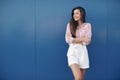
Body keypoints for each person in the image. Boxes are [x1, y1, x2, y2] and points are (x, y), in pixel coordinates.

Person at [65, 6, 92, 80]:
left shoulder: (87, 25)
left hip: (83, 52)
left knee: (81, 78)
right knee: (78, 77)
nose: (74, 15)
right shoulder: (70, 25)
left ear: (82, 14)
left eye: (77, 13)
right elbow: (67, 39)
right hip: (72, 52)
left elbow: (88, 41)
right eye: (73, 14)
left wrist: (74, 39)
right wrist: (83, 39)